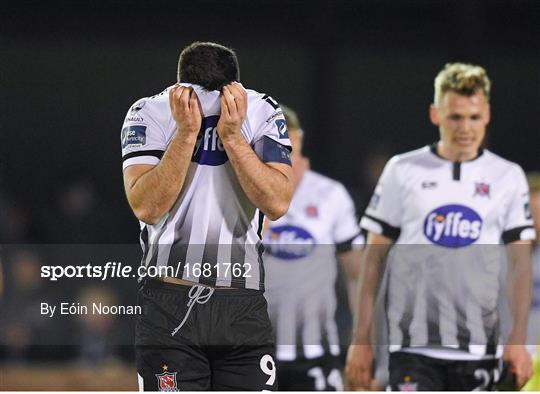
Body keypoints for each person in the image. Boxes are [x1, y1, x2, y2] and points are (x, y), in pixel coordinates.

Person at [345, 63, 535, 391]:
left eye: (473, 117)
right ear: (435, 114)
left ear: (487, 114)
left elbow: (520, 265)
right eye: (455, 117)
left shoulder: (507, 176)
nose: (465, 128)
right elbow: (373, 260)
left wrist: (518, 338)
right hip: (412, 348)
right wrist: (361, 340)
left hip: (480, 349)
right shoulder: (402, 171)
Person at [120, 42, 293, 391]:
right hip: (171, 304)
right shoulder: (149, 111)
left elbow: (276, 202)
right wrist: (186, 134)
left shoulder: (261, 110)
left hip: (240, 303)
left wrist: (232, 137)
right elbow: (147, 207)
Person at [263, 105, 363, 391]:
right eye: (274, 150)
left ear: (300, 141)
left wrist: (362, 339)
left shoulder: (330, 195)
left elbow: (356, 274)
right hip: (251, 346)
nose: (285, 159)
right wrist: (272, 201)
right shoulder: (241, 196)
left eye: (289, 149)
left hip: (316, 347)